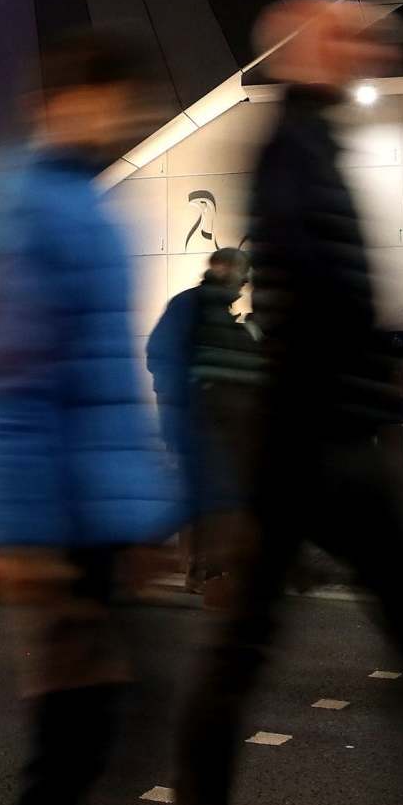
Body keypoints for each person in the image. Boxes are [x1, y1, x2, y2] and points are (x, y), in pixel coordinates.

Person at [171, 0, 403, 805]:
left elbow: (318, 305)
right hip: (314, 443)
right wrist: (401, 376)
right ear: (302, 51)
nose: (368, 49)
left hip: (319, 436)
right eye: (344, 36)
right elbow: (308, 305)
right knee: (277, 651)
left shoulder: (313, 146)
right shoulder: (291, 151)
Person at [0, 29, 179, 805]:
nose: (120, 118)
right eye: (110, 100)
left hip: (97, 516)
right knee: (71, 745)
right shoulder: (31, 205)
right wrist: (21, 538)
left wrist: (147, 514)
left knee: (93, 734)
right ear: (64, 101)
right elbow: (14, 382)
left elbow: (107, 377)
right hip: (59, 526)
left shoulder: (92, 205)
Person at [146, 248, 253, 591]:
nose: (244, 284)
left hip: (205, 418)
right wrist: (186, 395)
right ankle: (152, 555)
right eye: (242, 275)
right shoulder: (193, 305)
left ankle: (201, 568)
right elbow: (160, 354)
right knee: (201, 494)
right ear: (225, 270)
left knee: (203, 493)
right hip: (193, 417)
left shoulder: (211, 308)